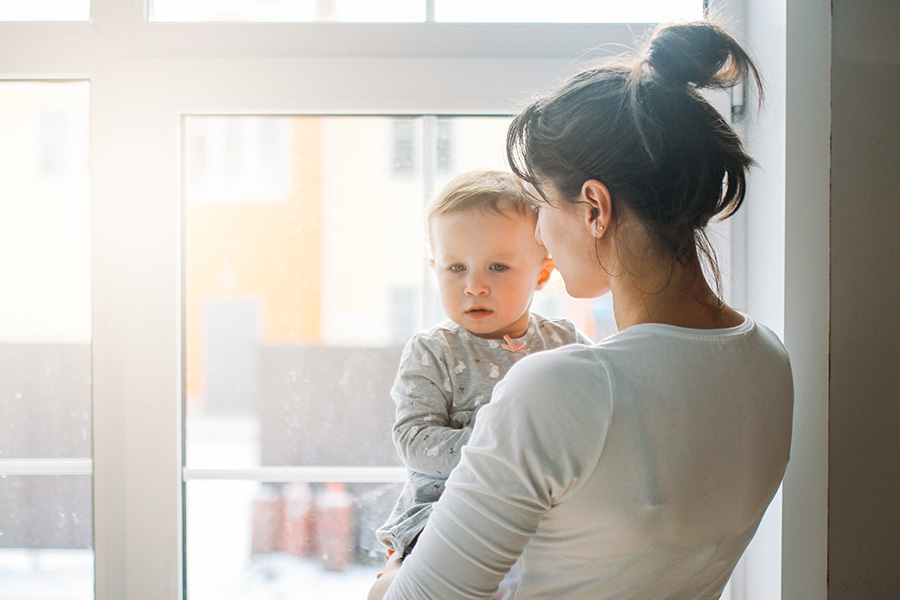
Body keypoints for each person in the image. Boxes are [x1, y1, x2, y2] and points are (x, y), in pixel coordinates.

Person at [369, 21, 793, 600]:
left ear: (595, 208)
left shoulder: (563, 385)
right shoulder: (769, 359)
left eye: (540, 204)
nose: (540, 231)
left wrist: (389, 583)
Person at [376, 169, 592, 563]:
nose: (474, 285)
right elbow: (413, 441)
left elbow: (602, 411)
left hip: (544, 512)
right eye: (456, 268)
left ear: (542, 272)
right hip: (445, 511)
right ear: (435, 270)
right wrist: (497, 448)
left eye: (497, 267)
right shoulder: (433, 351)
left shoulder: (566, 343)